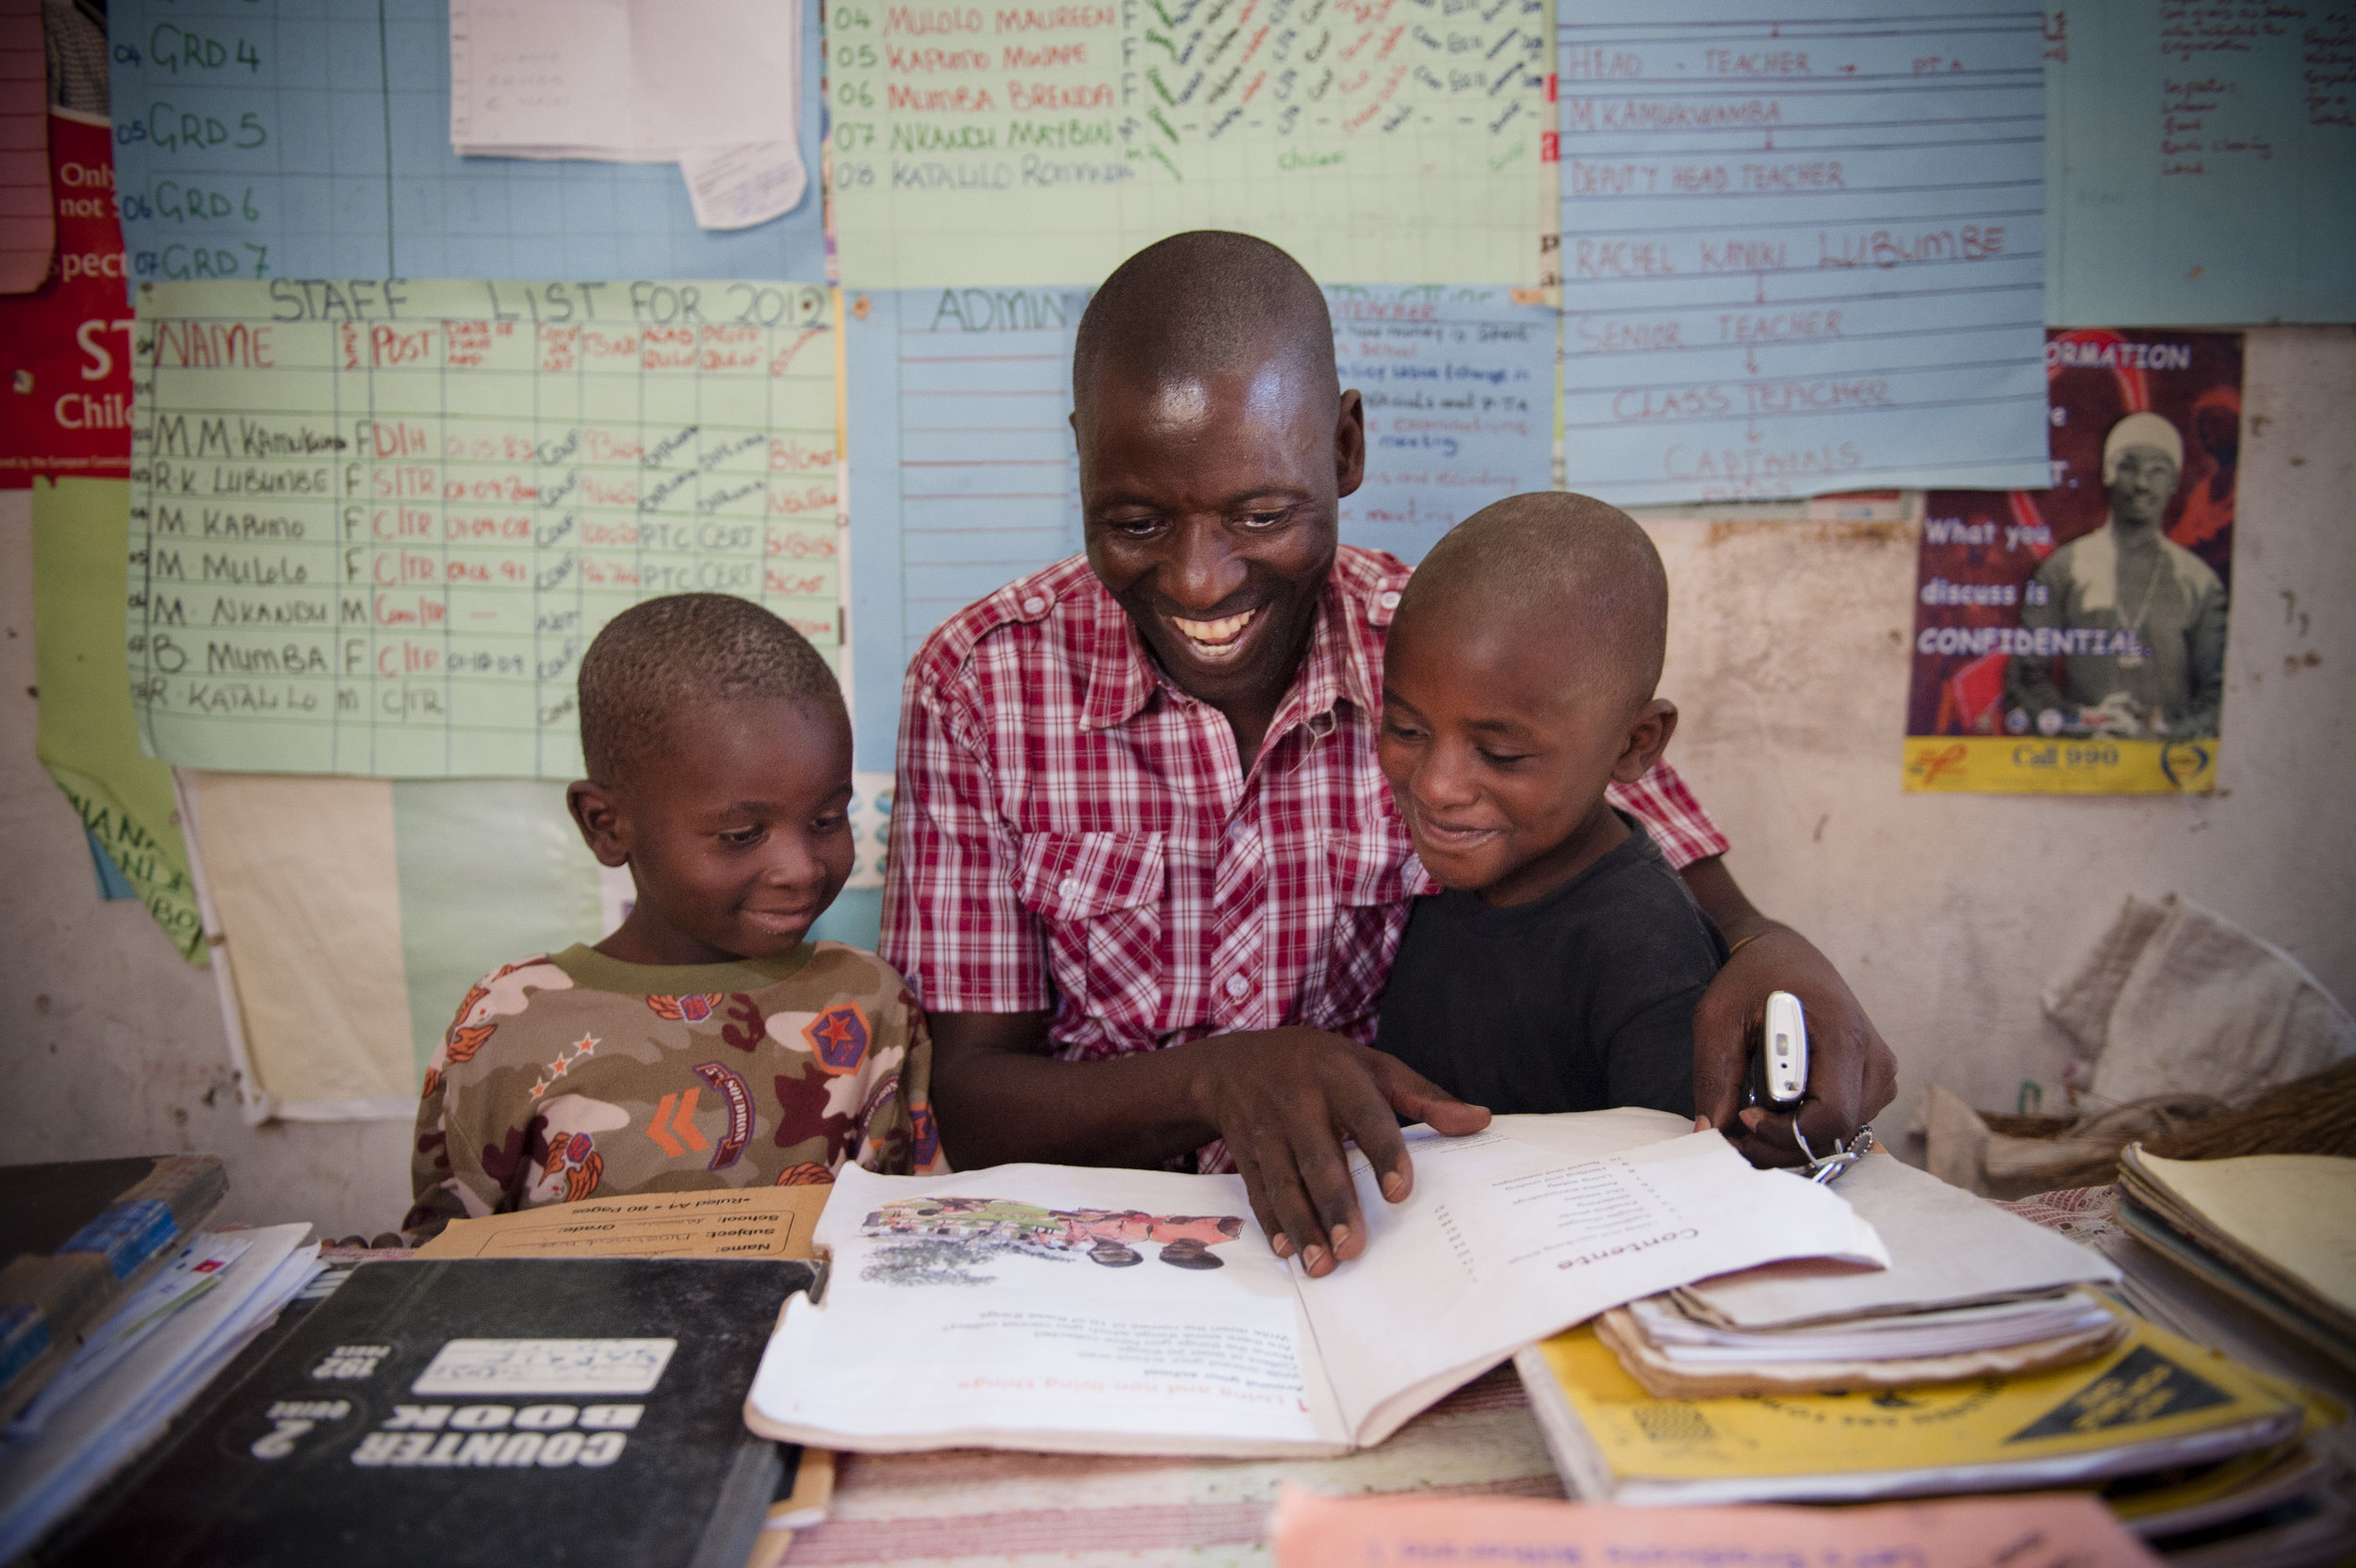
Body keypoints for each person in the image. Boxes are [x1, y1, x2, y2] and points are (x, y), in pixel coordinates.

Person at [881, 231, 1896, 1278]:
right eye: (1134, 520)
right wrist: (1212, 1078)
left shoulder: (1440, 655)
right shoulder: (979, 683)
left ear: (1345, 448)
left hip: (1394, 1237)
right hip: (1103, 1249)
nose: (1196, 580)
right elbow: (976, 1096)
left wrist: (1775, 949)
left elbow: (1675, 878)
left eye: (1261, 513)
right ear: (1081, 455)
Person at [403, 594, 942, 1239]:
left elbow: (915, 1232)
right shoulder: (508, 1022)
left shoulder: (867, 1003)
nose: (801, 867)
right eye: (743, 834)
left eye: (827, 820)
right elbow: (442, 1261)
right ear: (607, 826)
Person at [1370, 495, 1723, 1118]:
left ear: (1634, 744)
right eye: (1406, 731)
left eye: (1501, 754)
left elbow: (1676, 1186)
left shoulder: (1645, 948)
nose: (1436, 787)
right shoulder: (1448, 880)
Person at [2005, 411, 2228, 740]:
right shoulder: (2062, 569)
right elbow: (2023, 680)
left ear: (2174, 483)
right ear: (2107, 473)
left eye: (2156, 471)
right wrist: (2083, 722)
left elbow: (2222, 698)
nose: (2141, 484)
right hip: (2077, 766)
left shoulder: (2199, 582)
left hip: (2167, 772)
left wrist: (2156, 730)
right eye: (2128, 467)